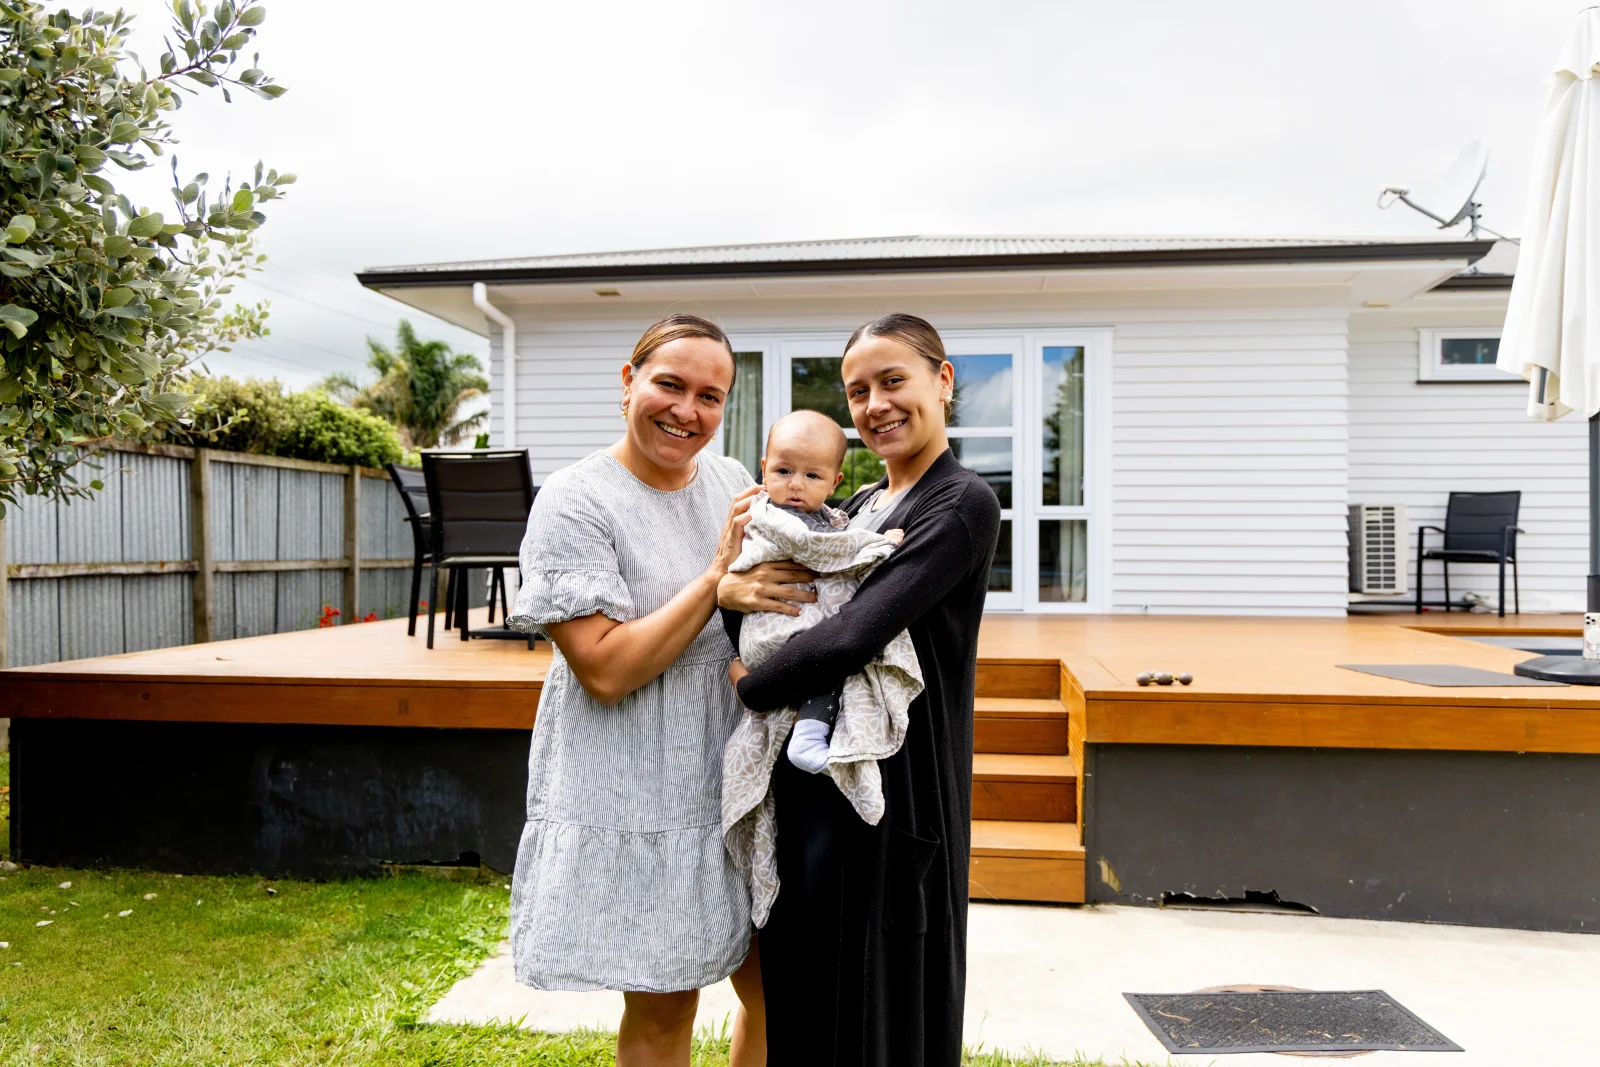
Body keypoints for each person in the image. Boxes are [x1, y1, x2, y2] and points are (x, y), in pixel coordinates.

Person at [720, 312, 1002, 1067]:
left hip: (896, 788)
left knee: (883, 998)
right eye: (857, 390)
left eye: (893, 380)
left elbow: (851, 635)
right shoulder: (856, 506)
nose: (875, 404)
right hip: (814, 785)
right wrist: (730, 592)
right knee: (806, 989)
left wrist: (752, 686)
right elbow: (776, 599)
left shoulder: (959, 502)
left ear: (943, 381)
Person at [507, 314, 766, 1067]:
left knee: (777, 988)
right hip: (641, 782)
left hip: (738, 774)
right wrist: (715, 578)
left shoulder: (732, 481)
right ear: (628, 382)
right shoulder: (575, 500)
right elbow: (605, 669)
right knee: (665, 1001)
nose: (687, 411)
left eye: (710, 397)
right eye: (670, 385)